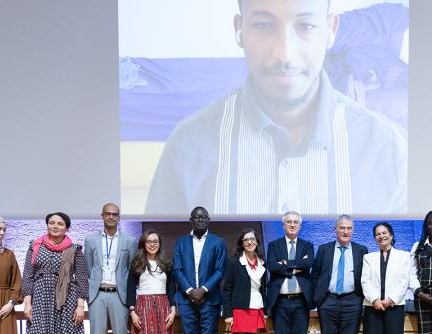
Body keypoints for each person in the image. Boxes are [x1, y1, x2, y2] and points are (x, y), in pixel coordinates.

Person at [145, 0, 407, 216]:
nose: (285, 53)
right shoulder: (187, 145)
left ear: (330, 30)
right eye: (262, 25)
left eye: (305, 26)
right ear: (240, 29)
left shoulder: (388, 149)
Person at [22, 212, 88, 334]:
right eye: (52, 223)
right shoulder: (35, 246)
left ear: (67, 228)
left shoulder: (74, 249)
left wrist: (80, 305)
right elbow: (27, 275)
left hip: (66, 299)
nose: (55, 226)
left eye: (60, 223)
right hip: (41, 297)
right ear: (47, 225)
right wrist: (27, 302)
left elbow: (82, 278)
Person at [172, 207, 228, 334]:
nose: (200, 220)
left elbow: (220, 270)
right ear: (191, 220)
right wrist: (190, 291)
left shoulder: (218, 242)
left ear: (209, 220)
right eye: (197, 217)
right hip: (187, 301)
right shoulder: (181, 242)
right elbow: (177, 270)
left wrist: (203, 289)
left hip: (209, 300)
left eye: (204, 217)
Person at [311, 215, 367, 334]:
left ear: (352, 230)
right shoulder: (324, 249)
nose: (345, 231)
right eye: (342, 228)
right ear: (335, 230)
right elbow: (315, 275)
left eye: (349, 228)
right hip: (328, 301)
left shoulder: (361, 250)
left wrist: (360, 299)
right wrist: (317, 298)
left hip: (352, 301)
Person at [84, 203, 136, 334]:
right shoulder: (90, 239)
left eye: (115, 214)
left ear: (119, 217)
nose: (111, 217)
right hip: (98, 294)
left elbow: (131, 271)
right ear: (102, 215)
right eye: (108, 214)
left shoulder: (129, 241)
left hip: (119, 295)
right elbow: (90, 267)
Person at [126, 230, 181, 334]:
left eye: (155, 241)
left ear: (159, 244)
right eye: (149, 241)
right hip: (143, 307)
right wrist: (132, 312)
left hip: (163, 307)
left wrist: (173, 309)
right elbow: (130, 289)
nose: (152, 244)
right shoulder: (137, 264)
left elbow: (171, 289)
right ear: (143, 244)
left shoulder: (166, 264)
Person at [265, 211, 314, 334]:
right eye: (289, 222)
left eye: (295, 222)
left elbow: (309, 263)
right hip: (281, 302)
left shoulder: (307, 245)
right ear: (283, 225)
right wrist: (296, 265)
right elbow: (272, 266)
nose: (292, 225)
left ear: (300, 226)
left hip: (300, 302)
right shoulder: (274, 245)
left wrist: (285, 263)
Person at [360, 222, 410, 334]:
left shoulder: (404, 256)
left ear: (391, 234)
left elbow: (404, 281)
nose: (382, 236)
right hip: (373, 307)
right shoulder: (369, 257)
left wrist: (390, 300)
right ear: (375, 238)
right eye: (378, 234)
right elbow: (365, 281)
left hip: (394, 306)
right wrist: (375, 300)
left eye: (384, 233)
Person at [223, 228, 268, 334]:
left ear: (257, 242)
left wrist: (265, 310)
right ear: (242, 244)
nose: (250, 242)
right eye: (246, 239)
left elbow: (264, 289)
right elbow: (227, 289)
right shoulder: (234, 262)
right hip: (240, 309)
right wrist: (228, 313)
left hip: (257, 309)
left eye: (252, 239)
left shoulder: (262, 263)